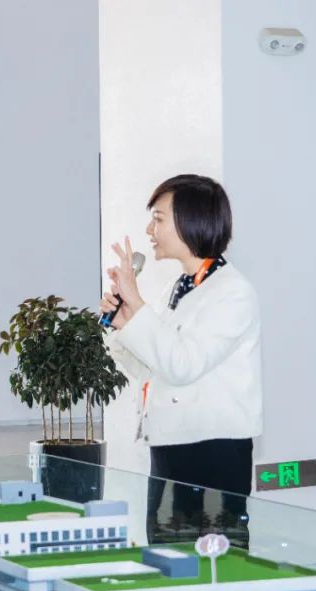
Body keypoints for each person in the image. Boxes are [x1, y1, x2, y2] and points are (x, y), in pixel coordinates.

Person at [100, 174, 262, 545]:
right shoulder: (178, 289)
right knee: (167, 559)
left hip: (213, 451)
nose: (149, 230)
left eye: (158, 219)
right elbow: (153, 368)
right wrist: (123, 325)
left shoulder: (233, 293)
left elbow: (182, 365)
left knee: (216, 565)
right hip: (170, 446)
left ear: (190, 221)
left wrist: (137, 304)